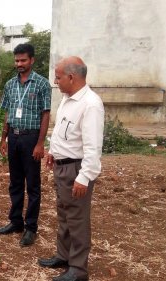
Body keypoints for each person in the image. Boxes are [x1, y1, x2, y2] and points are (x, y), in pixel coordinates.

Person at [38, 57, 104, 281]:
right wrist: (53, 153)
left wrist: (84, 177)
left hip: (76, 170)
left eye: (57, 77)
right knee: (65, 214)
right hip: (62, 166)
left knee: (77, 219)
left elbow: (93, 147)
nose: (55, 81)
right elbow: (64, 133)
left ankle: (78, 269)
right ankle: (63, 256)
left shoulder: (90, 104)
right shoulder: (68, 99)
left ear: (71, 77)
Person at [0, 43, 51, 247]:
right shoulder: (10, 85)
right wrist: (4, 138)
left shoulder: (42, 84)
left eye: (23, 60)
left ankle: (30, 228)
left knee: (33, 185)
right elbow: (8, 113)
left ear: (32, 60)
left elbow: (45, 114)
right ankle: (15, 222)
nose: (19, 64)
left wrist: (40, 143)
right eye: (17, 60)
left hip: (31, 139)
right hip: (14, 138)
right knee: (15, 183)